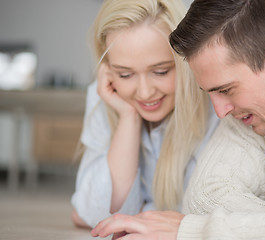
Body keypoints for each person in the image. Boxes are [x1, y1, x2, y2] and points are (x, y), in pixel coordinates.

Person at [90, 0, 265, 239]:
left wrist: (193, 232)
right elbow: (206, 199)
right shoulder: (252, 113)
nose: (220, 112)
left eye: (226, 89)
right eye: (210, 93)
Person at [71, 0, 219, 229]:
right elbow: (91, 213)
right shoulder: (106, 94)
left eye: (160, 71)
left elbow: (217, 212)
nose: (145, 92)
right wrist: (128, 118)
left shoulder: (216, 102)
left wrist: (140, 212)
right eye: (125, 75)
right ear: (108, 69)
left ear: (184, 60)